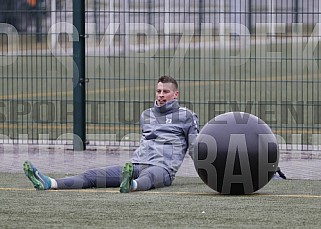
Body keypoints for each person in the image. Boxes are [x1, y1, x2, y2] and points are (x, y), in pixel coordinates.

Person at [23, 75, 199, 193]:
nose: (161, 95)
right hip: (136, 165)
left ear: (175, 94)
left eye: (165, 92)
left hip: (163, 169)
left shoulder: (187, 116)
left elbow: (195, 149)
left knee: (149, 177)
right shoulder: (147, 115)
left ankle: (131, 185)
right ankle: (50, 183)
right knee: (92, 175)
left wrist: (211, 174)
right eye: (158, 91)